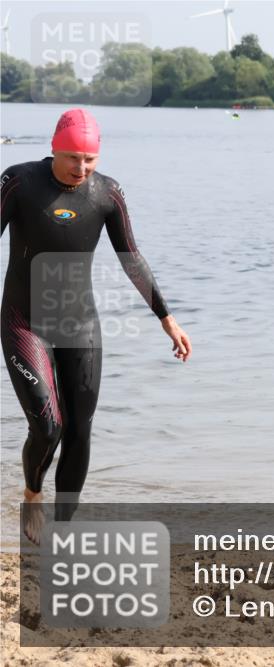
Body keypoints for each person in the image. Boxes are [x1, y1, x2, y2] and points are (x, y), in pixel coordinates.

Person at [1, 108, 192, 544]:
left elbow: (132, 258)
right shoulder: (19, 182)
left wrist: (167, 317)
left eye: (89, 159)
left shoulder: (107, 193)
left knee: (80, 429)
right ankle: (32, 494)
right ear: (54, 147)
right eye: (71, 157)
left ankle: (63, 536)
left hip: (79, 323)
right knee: (48, 425)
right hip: (23, 322)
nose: (80, 167)